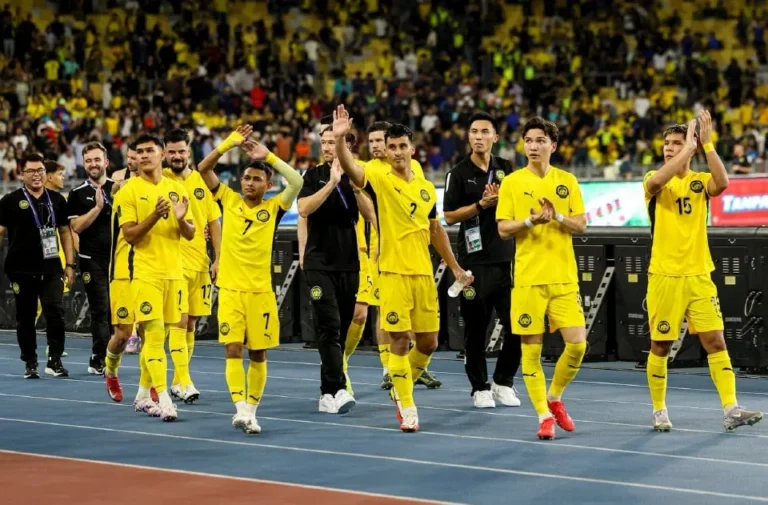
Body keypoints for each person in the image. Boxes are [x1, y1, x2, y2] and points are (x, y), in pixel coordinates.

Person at [334, 105, 472, 432]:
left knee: (429, 343)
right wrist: (340, 139)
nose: (396, 152)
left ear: (412, 149)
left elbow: (435, 230)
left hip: (423, 274)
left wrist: (455, 267)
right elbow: (352, 169)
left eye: (401, 146)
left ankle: (400, 382)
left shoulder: (425, 187)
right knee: (399, 341)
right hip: (393, 273)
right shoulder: (379, 177)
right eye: (391, 146)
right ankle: (407, 407)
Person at [643, 111, 763, 432]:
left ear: (690, 147)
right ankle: (659, 409)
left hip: (699, 276)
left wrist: (706, 144)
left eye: (676, 143)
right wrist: (688, 148)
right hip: (665, 276)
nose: (669, 148)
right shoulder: (654, 178)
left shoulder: (698, 181)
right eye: (667, 144)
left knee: (716, 342)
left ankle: (731, 409)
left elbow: (722, 183)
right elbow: (656, 182)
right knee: (661, 345)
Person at [198, 124, 303, 434]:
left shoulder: (274, 208)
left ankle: (252, 411)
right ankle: (240, 408)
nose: (250, 183)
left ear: (268, 185)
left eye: (257, 179)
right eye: (246, 178)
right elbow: (203, 168)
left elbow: (297, 181)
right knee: (232, 348)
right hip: (230, 290)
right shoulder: (227, 200)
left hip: (260, 293)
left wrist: (268, 156)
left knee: (258, 352)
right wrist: (227, 145)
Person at [496, 117, 588, 441]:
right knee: (531, 351)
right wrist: (531, 221)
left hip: (563, 278)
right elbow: (502, 229)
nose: (533, 146)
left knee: (577, 345)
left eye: (540, 140)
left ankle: (555, 397)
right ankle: (543, 416)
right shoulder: (512, 182)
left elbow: (581, 225)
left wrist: (557, 216)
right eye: (529, 140)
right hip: (528, 279)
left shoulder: (567, 181)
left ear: (553, 145)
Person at [354, 120, 442, 390]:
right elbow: (365, 203)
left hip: (415, 255)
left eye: (380, 141)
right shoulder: (370, 170)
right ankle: (388, 368)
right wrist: (379, 235)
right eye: (373, 142)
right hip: (381, 249)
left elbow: (424, 211)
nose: (377, 146)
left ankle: (411, 368)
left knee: (416, 322)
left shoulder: (415, 170)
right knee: (386, 312)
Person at [443, 112, 521, 409]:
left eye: (484, 131)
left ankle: (503, 382)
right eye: (474, 131)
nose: (478, 136)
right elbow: (449, 216)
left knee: (517, 325)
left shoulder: (506, 168)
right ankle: (479, 387)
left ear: (495, 137)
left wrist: (504, 203)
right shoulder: (458, 173)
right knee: (476, 329)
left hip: (505, 260)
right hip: (473, 263)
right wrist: (480, 204)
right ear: (468, 137)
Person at [118, 134, 195, 421]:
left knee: (161, 336)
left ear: (162, 154)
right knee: (153, 334)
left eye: (149, 150)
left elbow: (190, 233)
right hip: (146, 273)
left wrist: (180, 219)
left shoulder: (177, 189)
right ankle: (163, 398)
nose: (144, 155)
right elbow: (130, 235)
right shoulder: (128, 191)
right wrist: (154, 215)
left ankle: (141, 395)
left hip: (174, 273)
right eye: (139, 151)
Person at [298, 128, 373, 413]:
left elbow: (369, 214)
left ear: (346, 146)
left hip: (349, 263)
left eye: (333, 142)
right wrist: (330, 184)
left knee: (340, 328)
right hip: (318, 263)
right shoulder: (313, 175)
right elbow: (304, 208)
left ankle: (327, 392)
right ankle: (340, 387)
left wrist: (353, 185)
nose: (327, 147)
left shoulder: (358, 176)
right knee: (328, 325)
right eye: (325, 142)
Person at [0, 153, 75, 379]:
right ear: (21, 174)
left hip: (51, 268)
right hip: (20, 269)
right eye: (31, 171)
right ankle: (30, 361)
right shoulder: (10, 201)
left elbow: (65, 232)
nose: (36, 175)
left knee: (56, 312)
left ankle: (55, 360)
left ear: (46, 173)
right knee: (26, 317)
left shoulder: (57, 200)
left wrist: (70, 264)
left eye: (40, 170)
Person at [163, 129, 222, 404]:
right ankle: (185, 381)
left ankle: (178, 381)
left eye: (181, 151)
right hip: (173, 263)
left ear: (189, 152)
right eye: (171, 151)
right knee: (179, 320)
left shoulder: (201, 181)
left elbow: (213, 222)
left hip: (200, 262)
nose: (177, 156)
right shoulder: (160, 180)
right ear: (164, 153)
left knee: (191, 323)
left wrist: (218, 258)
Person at [67, 142, 114, 376]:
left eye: (97, 159)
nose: (93, 164)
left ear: (106, 162)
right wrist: (97, 208)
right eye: (88, 161)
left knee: (117, 311)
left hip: (118, 260)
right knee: (100, 309)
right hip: (91, 259)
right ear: (83, 165)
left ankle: (112, 356)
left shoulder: (119, 188)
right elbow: (75, 226)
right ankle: (98, 357)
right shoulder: (76, 194)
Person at [111, 143, 141, 355]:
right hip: (123, 250)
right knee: (121, 332)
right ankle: (131, 334)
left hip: (148, 251)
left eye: (134, 157)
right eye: (128, 157)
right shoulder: (119, 178)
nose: (130, 161)